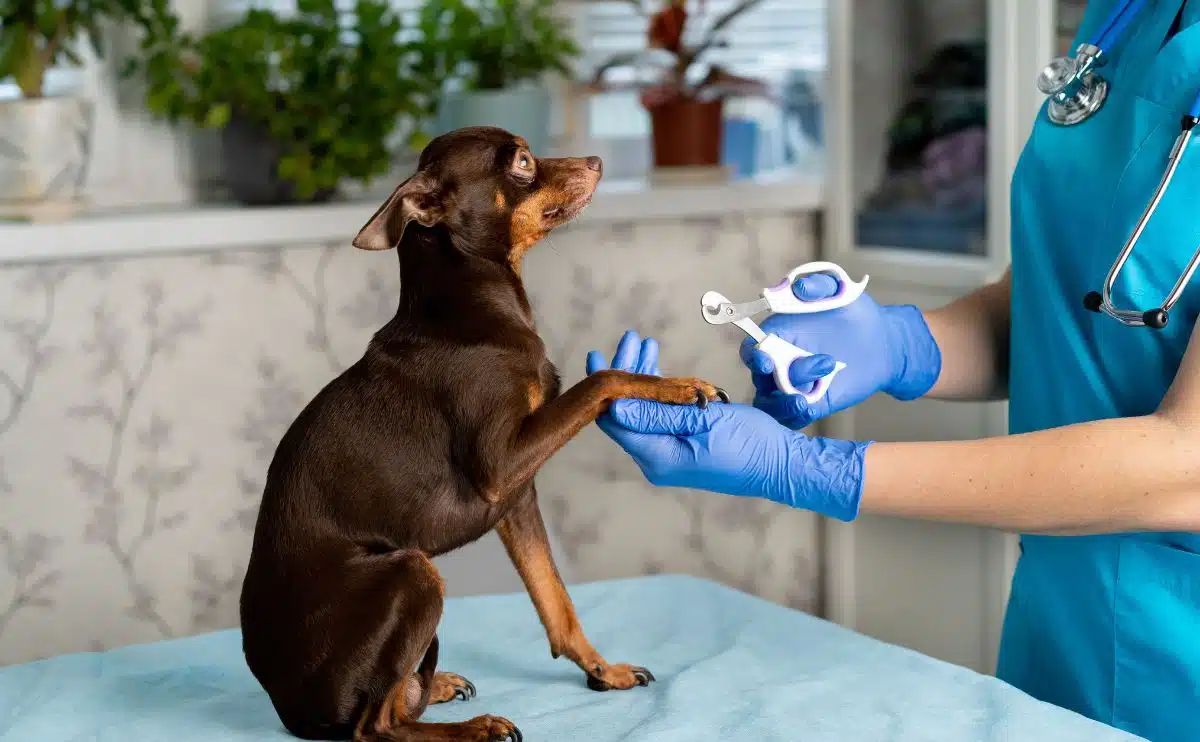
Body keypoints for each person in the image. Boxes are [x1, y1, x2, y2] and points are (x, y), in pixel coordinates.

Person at [583, 3, 1200, 741]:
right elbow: (1068, 301)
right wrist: (896, 343)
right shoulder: (1126, 15)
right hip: (1060, 620)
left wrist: (812, 468)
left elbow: (1187, 463)